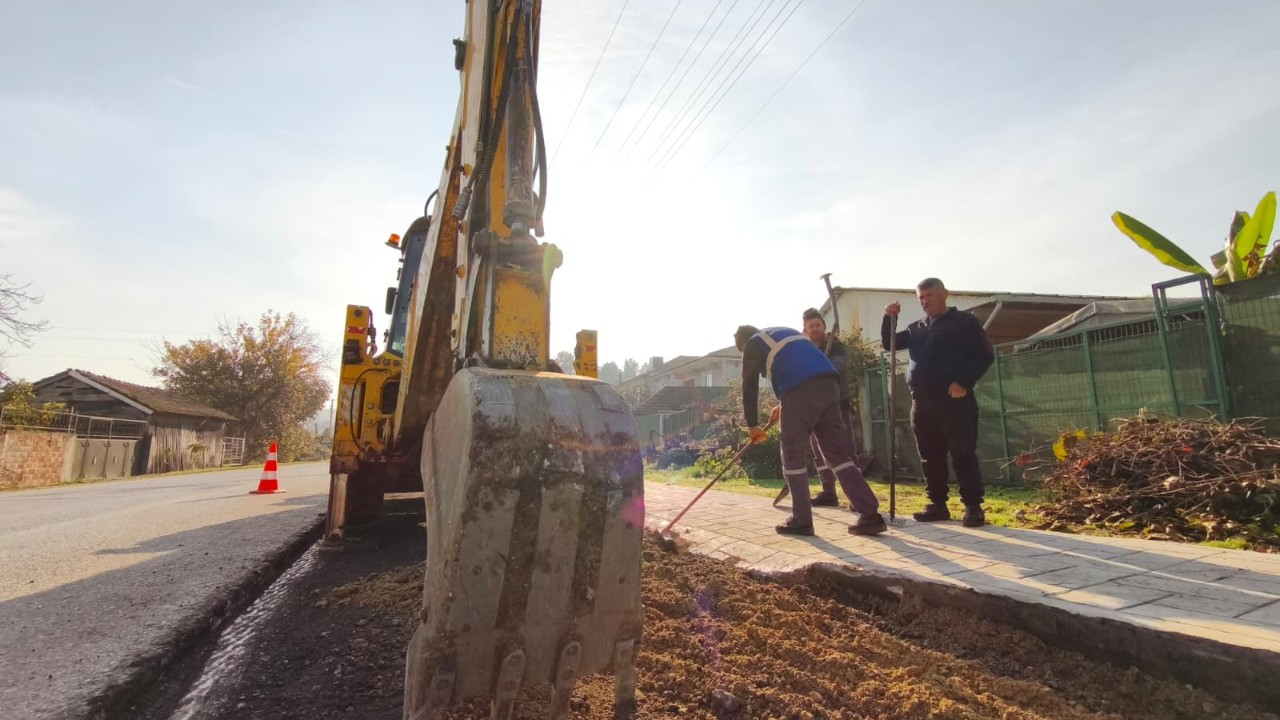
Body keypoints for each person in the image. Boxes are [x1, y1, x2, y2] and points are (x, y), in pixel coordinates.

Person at [734, 324, 885, 536]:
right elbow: (800, 367)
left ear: (743, 343)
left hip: (799, 389)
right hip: (829, 383)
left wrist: (752, 425)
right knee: (837, 455)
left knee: (792, 454)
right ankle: (870, 515)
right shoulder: (783, 333)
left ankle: (801, 520)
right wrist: (783, 402)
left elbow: (748, 385)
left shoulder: (752, 344)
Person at [883, 278, 994, 527]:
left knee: (963, 454)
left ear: (944, 294)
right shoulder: (916, 328)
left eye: (929, 295)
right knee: (929, 456)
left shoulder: (965, 322)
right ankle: (937, 505)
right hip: (921, 402)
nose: (925, 301)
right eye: (921, 297)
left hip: (954, 400)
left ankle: (973, 507)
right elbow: (889, 344)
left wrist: (963, 382)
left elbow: (985, 355)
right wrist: (889, 318)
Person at [801, 307, 853, 507]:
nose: (815, 329)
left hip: (837, 404)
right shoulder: (803, 349)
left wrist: (816, 368)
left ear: (824, 327)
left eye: (818, 325)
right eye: (811, 326)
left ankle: (856, 496)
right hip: (814, 407)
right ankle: (829, 493)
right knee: (819, 452)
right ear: (805, 330)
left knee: (846, 449)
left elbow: (836, 367)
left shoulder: (836, 346)